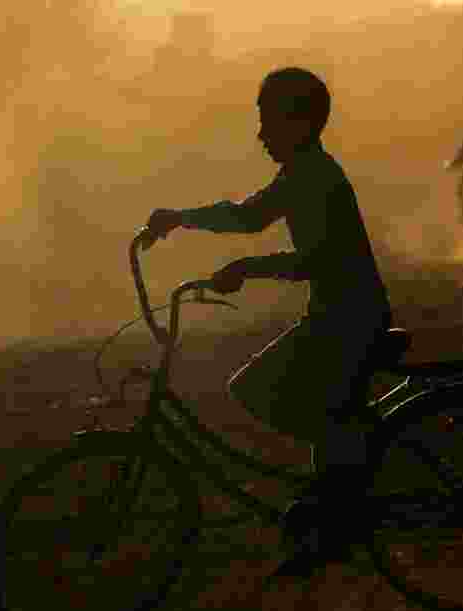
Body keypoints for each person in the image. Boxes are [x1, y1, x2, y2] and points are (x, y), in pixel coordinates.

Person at [140, 67, 393, 578]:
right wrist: (181, 220)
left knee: (258, 388)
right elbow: (248, 216)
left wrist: (245, 269)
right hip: (337, 315)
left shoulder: (314, 176)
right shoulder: (302, 171)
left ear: (299, 123)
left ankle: (344, 480)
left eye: (267, 121)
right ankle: (339, 489)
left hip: (349, 319)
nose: (260, 134)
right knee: (319, 412)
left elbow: (315, 260)